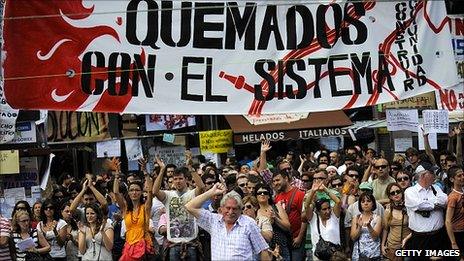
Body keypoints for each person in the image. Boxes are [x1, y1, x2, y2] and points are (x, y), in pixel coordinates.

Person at [185, 183, 271, 260]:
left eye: (234, 209)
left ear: (240, 210)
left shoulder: (248, 223)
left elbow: (263, 250)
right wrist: (212, 192)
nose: (230, 212)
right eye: (228, 208)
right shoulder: (213, 221)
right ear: (221, 208)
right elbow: (190, 206)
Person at [153, 157, 205, 260]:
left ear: (186, 179)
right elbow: (155, 191)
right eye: (175, 179)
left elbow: (201, 187)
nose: (178, 181)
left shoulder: (192, 193)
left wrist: (190, 167)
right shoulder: (168, 195)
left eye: (180, 178)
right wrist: (162, 169)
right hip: (173, 245)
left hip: (191, 244)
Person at [112, 157, 157, 261]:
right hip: (129, 248)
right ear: (128, 193)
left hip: (143, 248)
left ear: (141, 192)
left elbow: (150, 191)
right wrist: (117, 175)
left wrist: (145, 171)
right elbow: (116, 192)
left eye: (137, 190)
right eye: (131, 190)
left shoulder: (145, 207)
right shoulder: (125, 209)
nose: (134, 192)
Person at [404, 169, 450, 259]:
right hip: (420, 239)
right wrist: (436, 204)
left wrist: (427, 203)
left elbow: (445, 200)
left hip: (438, 237)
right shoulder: (410, 191)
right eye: (432, 173)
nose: (435, 177)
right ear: (423, 176)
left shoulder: (436, 188)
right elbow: (418, 205)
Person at [273, 170, 306, 260]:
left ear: (286, 178)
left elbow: (305, 218)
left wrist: (299, 237)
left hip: (297, 239)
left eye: (278, 180)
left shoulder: (299, 194)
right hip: (284, 240)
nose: (275, 183)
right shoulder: (277, 197)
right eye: (274, 181)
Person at [303, 181, 342, 260]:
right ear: (318, 211)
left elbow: (338, 202)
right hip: (318, 257)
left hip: (335, 256)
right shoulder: (313, 218)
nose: (327, 211)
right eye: (324, 209)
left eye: (329, 208)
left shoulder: (334, 216)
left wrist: (325, 189)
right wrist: (313, 191)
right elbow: (306, 206)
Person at [255, 183, 291, 260]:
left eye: (265, 192)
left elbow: (288, 226)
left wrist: (275, 218)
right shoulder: (255, 211)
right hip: (264, 250)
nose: (262, 194)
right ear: (256, 196)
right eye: (259, 193)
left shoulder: (276, 207)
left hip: (280, 246)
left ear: (268, 196)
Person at [381, 183, 410, 261]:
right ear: (390, 196)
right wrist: (383, 245)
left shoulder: (409, 207)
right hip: (392, 246)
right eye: (392, 193)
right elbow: (385, 229)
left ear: (402, 192)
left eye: (398, 191)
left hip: (408, 246)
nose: (396, 194)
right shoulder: (388, 210)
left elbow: (415, 227)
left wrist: (407, 238)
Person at [350, 192, 382, 260]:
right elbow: (353, 238)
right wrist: (359, 227)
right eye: (363, 201)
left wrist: (369, 226)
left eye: (368, 201)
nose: (365, 203)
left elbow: (375, 237)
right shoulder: (356, 218)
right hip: (359, 255)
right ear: (360, 204)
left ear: (373, 203)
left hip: (374, 254)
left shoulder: (377, 218)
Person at [445, 166, 464, 254]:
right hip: (458, 234)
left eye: (463, 174)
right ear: (452, 179)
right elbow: (448, 221)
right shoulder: (453, 197)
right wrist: (453, 243)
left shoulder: (462, 192)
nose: (462, 177)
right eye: (459, 176)